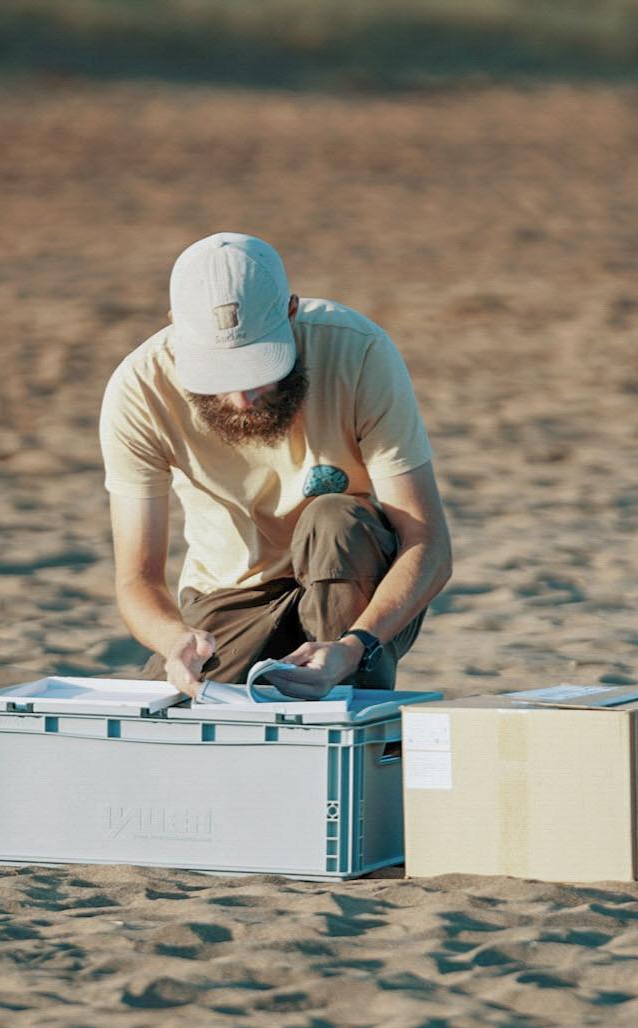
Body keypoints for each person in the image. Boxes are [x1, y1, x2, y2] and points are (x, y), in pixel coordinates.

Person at [98, 232, 451, 701]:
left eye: (258, 367)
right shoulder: (139, 388)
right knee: (172, 714)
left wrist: (356, 644)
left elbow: (427, 543)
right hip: (231, 591)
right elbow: (137, 579)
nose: (242, 398)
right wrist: (173, 640)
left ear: (290, 311)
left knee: (333, 517)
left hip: (358, 589)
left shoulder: (358, 351)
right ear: (175, 326)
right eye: (221, 373)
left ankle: (349, 706)